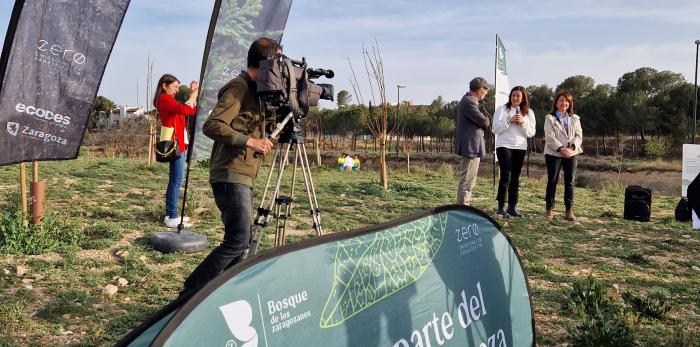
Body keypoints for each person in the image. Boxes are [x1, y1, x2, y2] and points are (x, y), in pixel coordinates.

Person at [181, 38, 279, 295]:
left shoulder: (258, 92)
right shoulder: (238, 87)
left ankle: (221, 293)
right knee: (237, 240)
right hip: (230, 173)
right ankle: (190, 293)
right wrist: (250, 141)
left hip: (243, 173)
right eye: (277, 63)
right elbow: (212, 125)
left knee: (241, 240)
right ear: (266, 63)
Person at [153, 74, 199, 228]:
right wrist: (194, 94)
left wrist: (193, 96)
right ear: (165, 86)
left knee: (175, 179)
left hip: (180, 143)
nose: (177, 90)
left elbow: (190, 111)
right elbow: (185, 109)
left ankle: (172, 214)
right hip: (176, 144)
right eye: (175, 86)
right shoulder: (165, 99)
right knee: (176, 180)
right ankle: (172, 216)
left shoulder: (169, 100)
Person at [491, 86, 536, 218]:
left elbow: (531, 133)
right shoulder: (501, 109)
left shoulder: (529, 113)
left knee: (515, 177)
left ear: (523, 98)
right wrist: (508, 121)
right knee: (506, 175)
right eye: (513, 95)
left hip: (520, 147)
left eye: (518, 96)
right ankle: (500, 207)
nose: (515, 98)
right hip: (504, 145)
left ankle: (512, 207)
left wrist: (522, 123)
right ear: (510, 96)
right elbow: (494, 129)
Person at [543, 90, 583, 221]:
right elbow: (549, 136)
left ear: (569, 103)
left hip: (572, 153)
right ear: (556, 103)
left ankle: (569, 210)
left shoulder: (575, 119)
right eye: (561, 100)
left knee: (569, 181)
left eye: (566, 101)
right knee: (552, 181)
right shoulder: (550, 118)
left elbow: (579, 136)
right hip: (554, 152)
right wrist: (561, 148)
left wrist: (571, 148)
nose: (563, 103)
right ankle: (549, 209)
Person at [454, 77, 490, 205]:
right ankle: (463, 207)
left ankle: (463, 205)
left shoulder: (469, 101)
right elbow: (484, 122)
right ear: (480, 89)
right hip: (470, 147)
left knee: (469, 179)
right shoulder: (469, 102)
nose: (487, 92)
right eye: (485, 89)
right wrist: (486, 119)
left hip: (472, 147)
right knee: (467, 179)